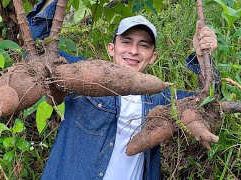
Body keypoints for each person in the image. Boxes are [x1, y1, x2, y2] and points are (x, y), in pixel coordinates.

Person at [27, 1, 218, 180]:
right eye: (126, 42)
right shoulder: (80, 75)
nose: (134, 51)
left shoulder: (162, 98)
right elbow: (37, 47)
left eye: (144, 45)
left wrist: (203, 58)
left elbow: (208, 103)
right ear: (112, 48)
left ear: (153, 57)